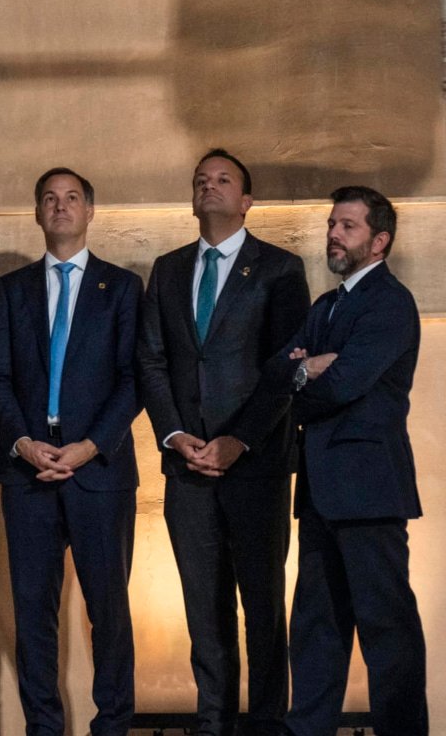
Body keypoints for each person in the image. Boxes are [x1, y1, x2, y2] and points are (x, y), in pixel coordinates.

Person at [136, 150, 309, 736]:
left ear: (246, 200)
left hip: (255, 467)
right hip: (186, 468)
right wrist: (176, 434)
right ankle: (213, 721)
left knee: (262, 606)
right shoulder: (167, 268)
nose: (210, 187)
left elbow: (286, 367)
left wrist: (239, 440)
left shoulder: (281, 269)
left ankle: (266, 724)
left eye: (223, 180)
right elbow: (152, 362)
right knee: (202, 609)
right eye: (200, 181)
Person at [0, 168, 142, 736]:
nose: (60, 206)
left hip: (98, 470)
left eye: (72, 198)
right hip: (28, 474)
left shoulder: (122, 288)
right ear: (37, 212)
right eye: (49, 198)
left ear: (90, 211)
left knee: (110, 614)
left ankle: (113, 726)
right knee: (33, 618)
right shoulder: (11, 289)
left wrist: (88, 445)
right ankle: (43, 728)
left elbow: (133, 379)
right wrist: (24, 443)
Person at [265, 187, 427, 736]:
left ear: (379, 241)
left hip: (370, 491)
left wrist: (308, 372)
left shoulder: (389, 302)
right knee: (316, 628)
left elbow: (346, 385)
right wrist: (308, 368)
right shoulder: (327, 305)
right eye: (332, 223)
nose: (333, 234)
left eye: (348, 226)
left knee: (387, 630)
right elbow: (279, 374)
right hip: (319, 492)